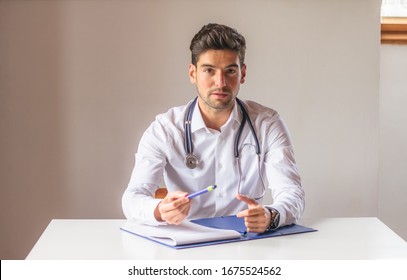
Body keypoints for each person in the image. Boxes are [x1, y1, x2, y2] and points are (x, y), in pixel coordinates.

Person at [122, 23, 304, 233]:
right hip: (186, 245)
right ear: (193, 73)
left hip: (246, 242)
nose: (220, 82)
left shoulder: (267, 123)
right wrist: (159, 210)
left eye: (230, 71)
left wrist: (271, 216)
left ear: (242, 74)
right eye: (209, 70)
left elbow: (292, 193)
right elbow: (132, 198)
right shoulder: (165, 129)